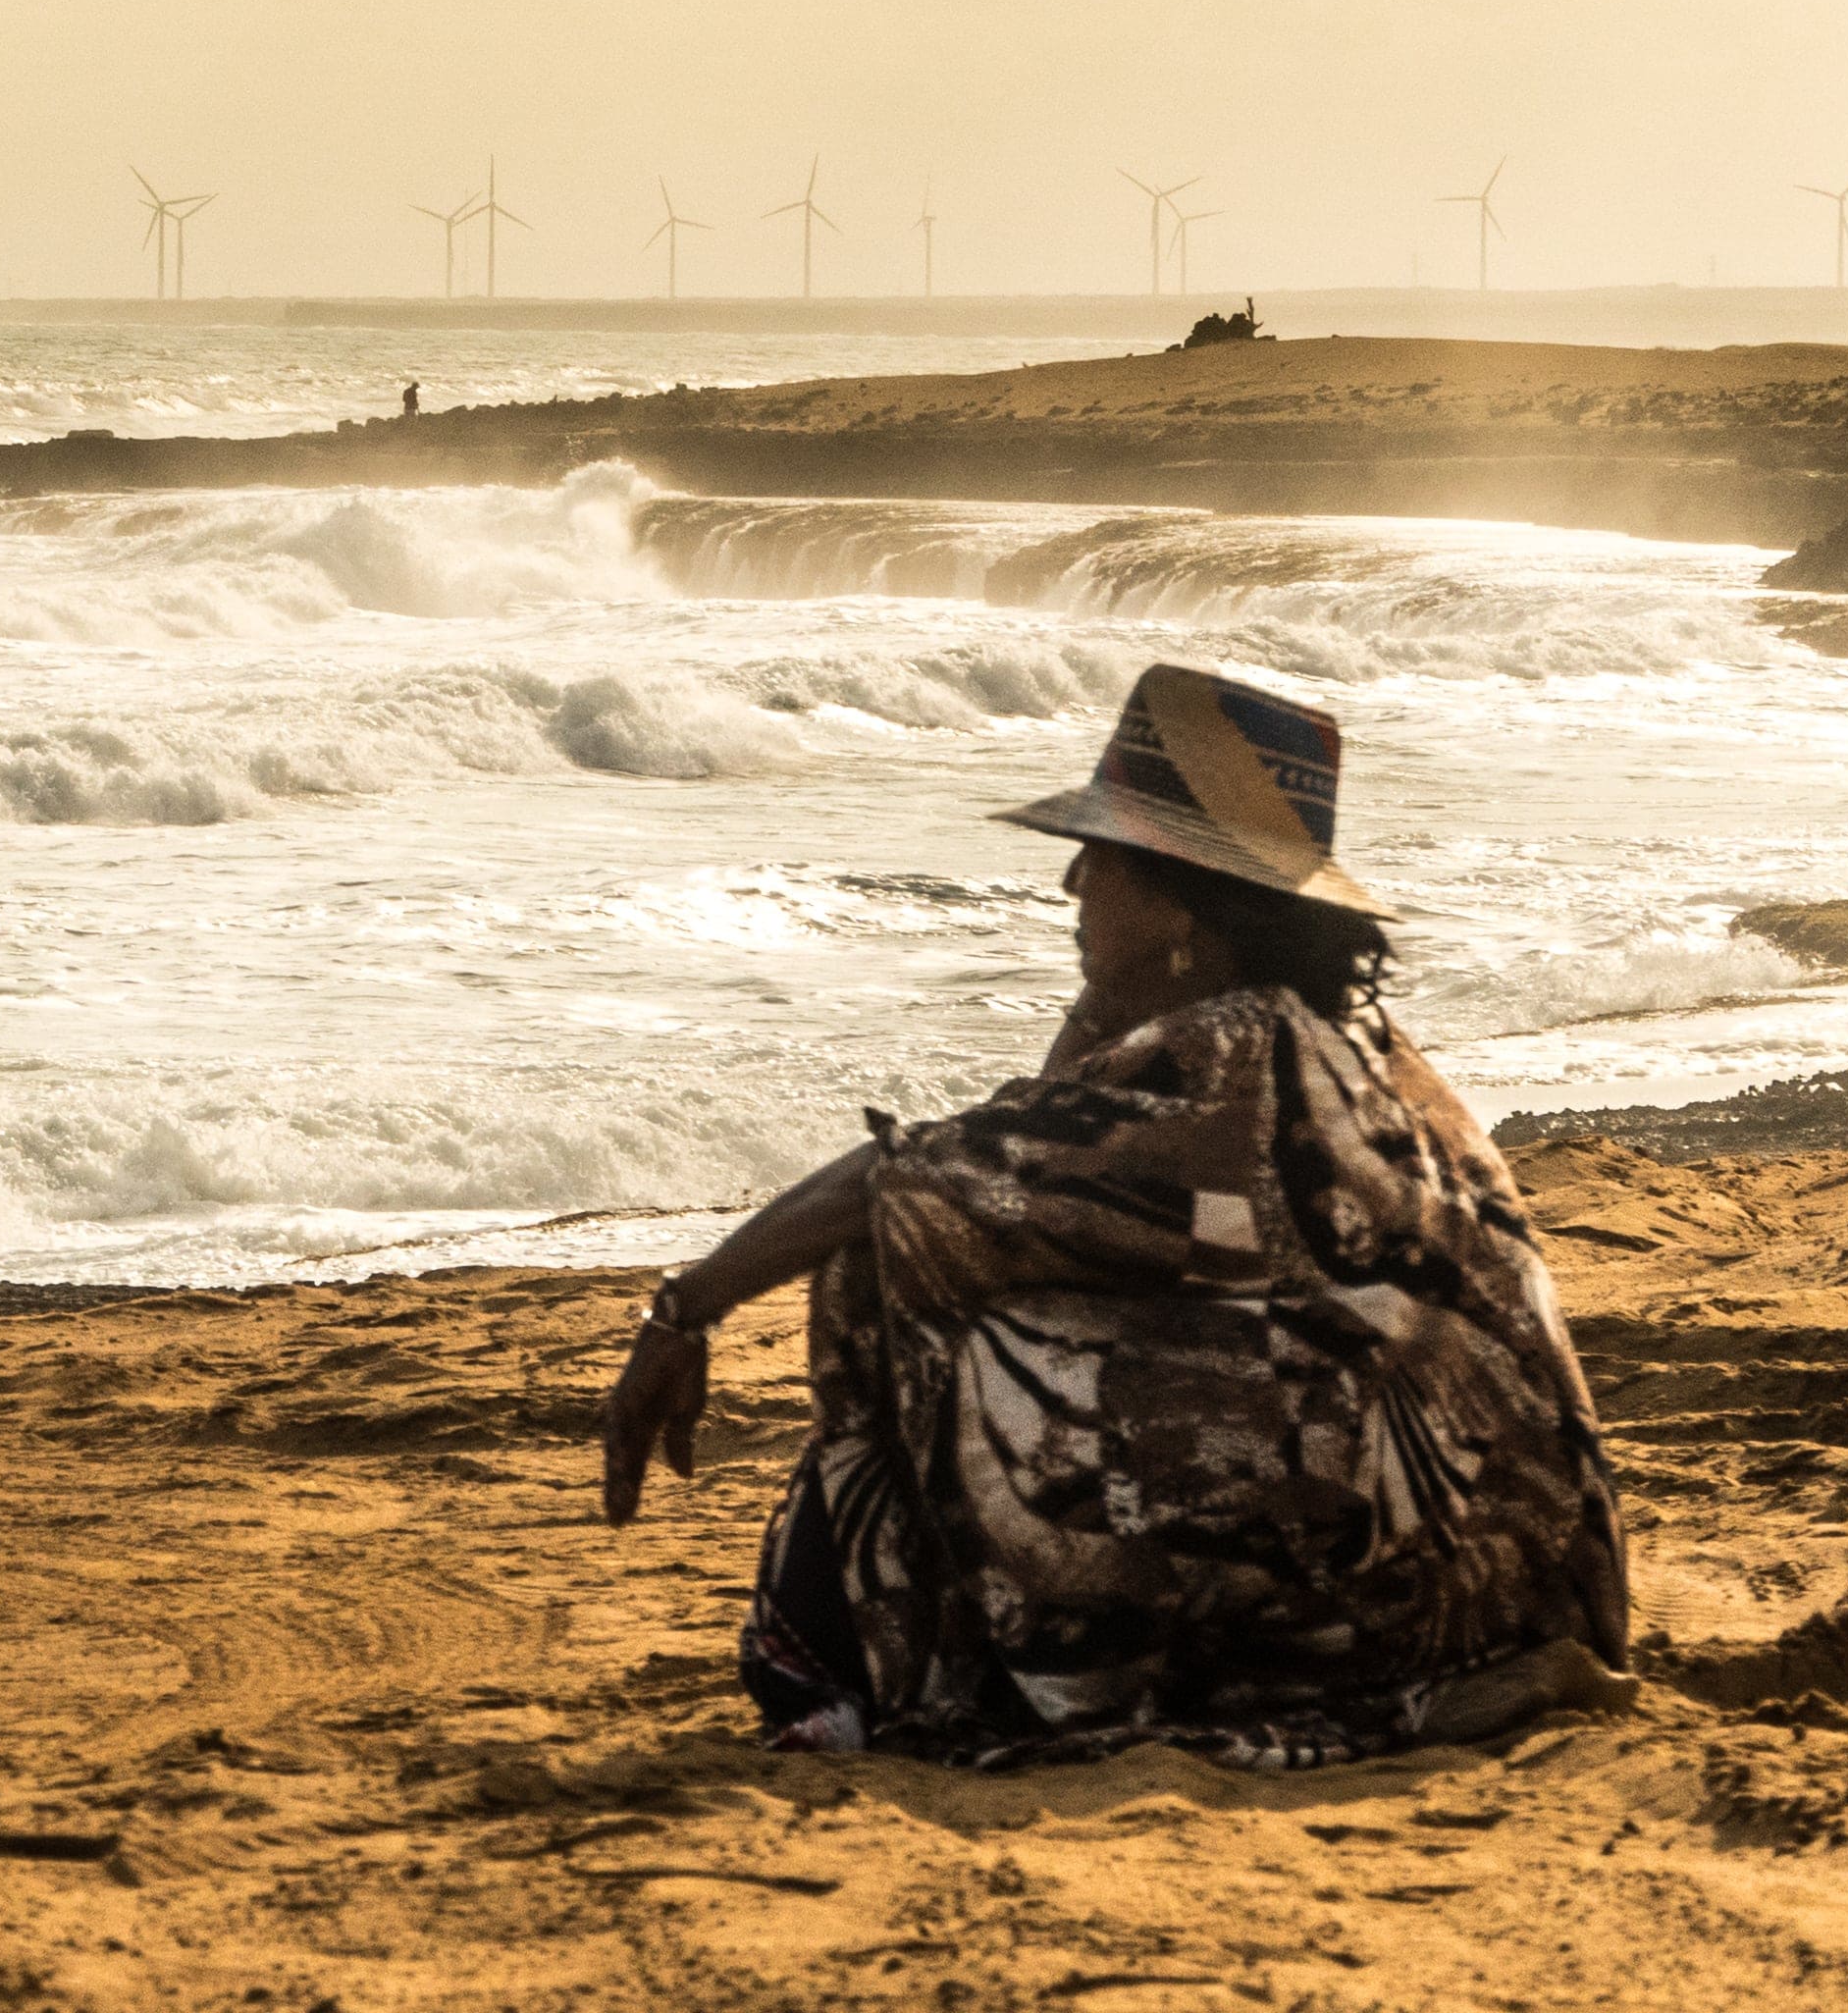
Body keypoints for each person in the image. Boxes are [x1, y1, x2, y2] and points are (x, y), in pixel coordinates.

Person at [596, 665, 1631, 1767]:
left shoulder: (1226, 1052)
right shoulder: (1340, 1047)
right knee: (987, 1252)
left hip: (1412, 1599)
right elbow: (1015, 1157)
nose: (1072, 878)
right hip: (1521, 1574)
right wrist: (1106, 997)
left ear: (1189, 898)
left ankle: (835, 1675)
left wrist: (685, 1309)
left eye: (1107, 856)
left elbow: (903, 1179)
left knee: (883, 1270)